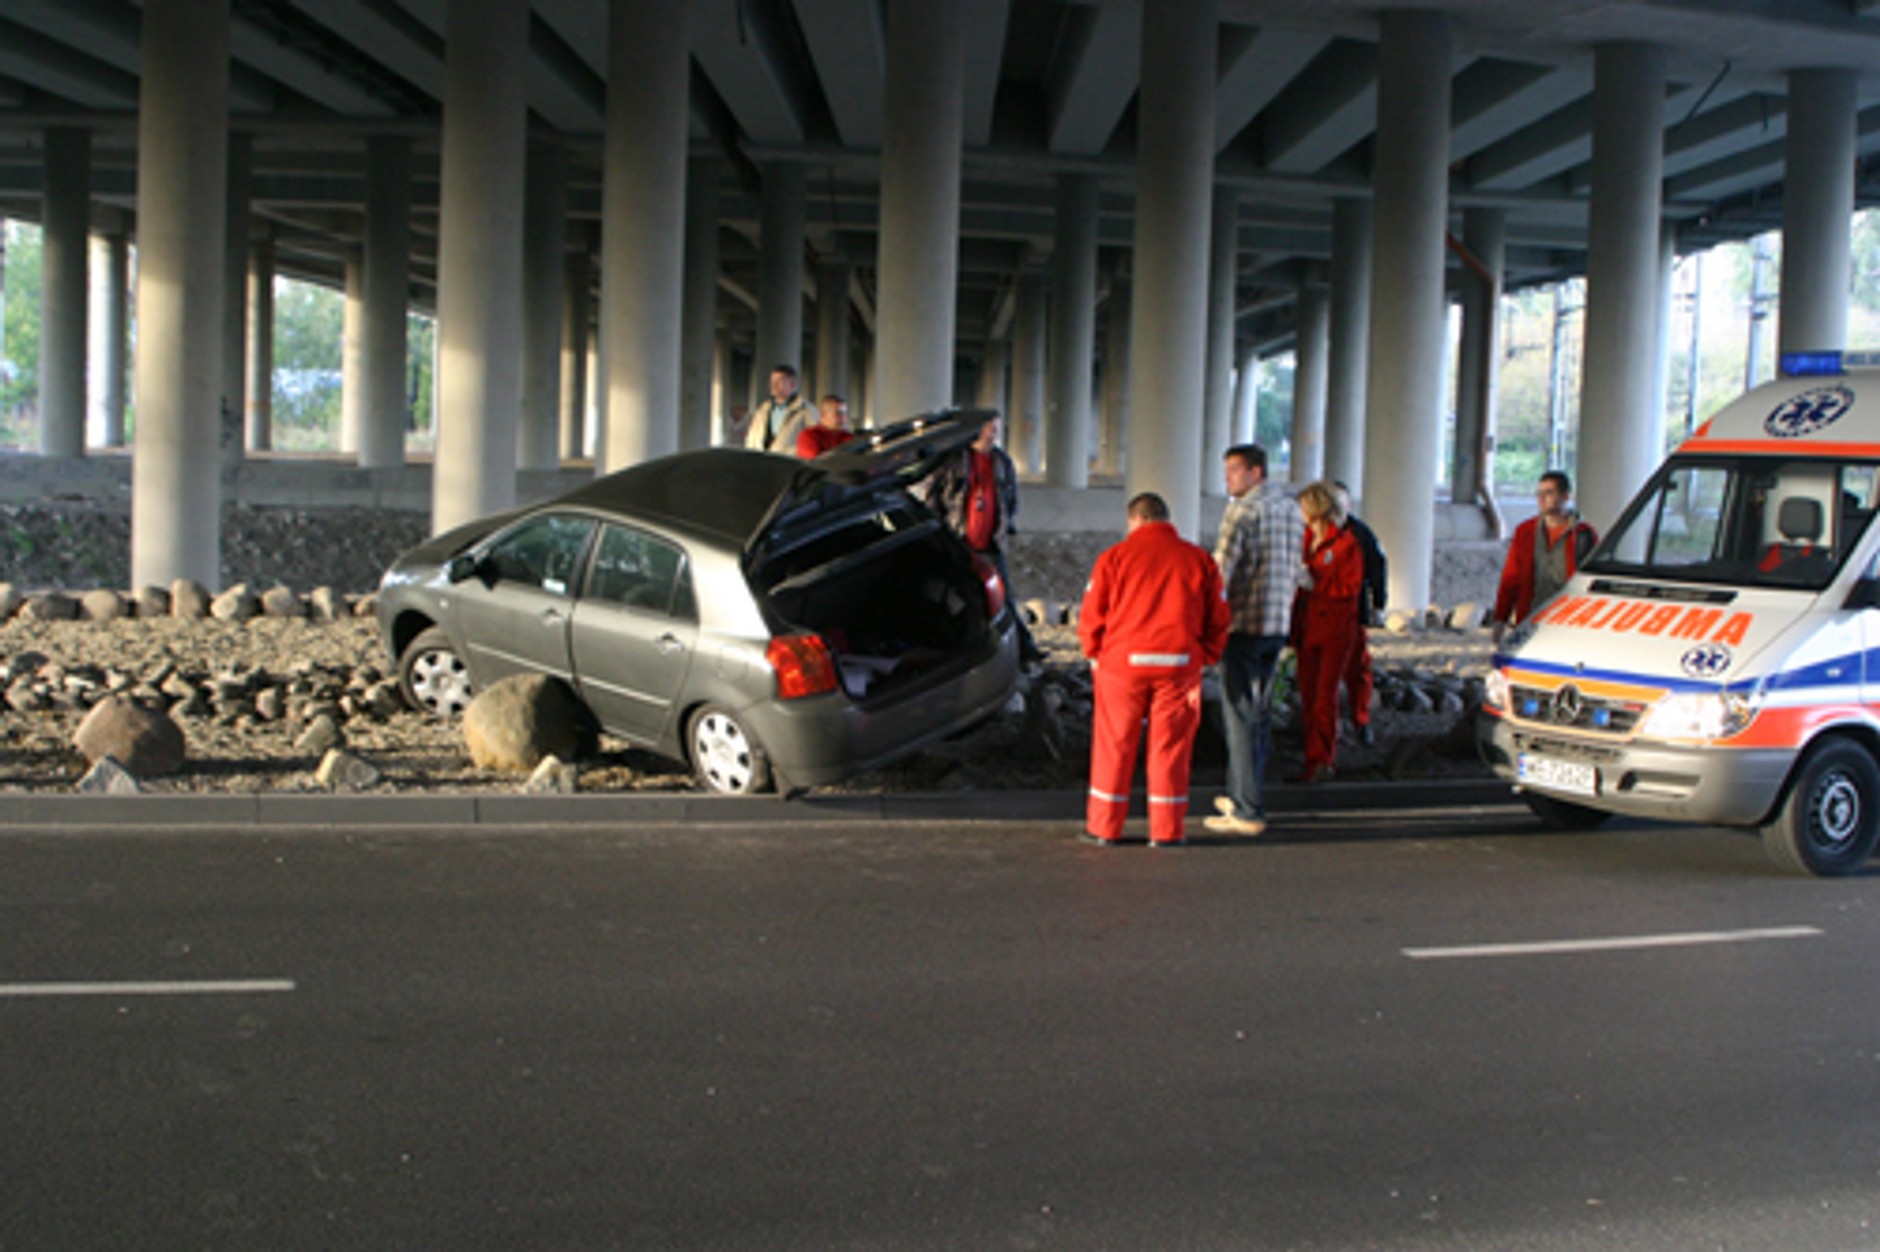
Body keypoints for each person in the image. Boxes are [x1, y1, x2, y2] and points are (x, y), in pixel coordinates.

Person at [1077, 492, 1232, 848]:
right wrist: (1205, 655)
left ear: (1135, 520)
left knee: (1114, 744)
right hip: (1178, 665)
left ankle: (1104, 828)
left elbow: (1092, 615)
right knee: (1172, 748)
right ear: (1166, 519)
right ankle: (1166, 831)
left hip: (1122, 667)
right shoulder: (1199, 560)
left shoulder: (1113, 558)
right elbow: (1219, 617)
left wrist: (1095, 653)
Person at [1204, 444, 1303, 838]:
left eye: (1234, 470)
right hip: (1278, 623)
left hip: (1243, 624)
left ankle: (1247, 809)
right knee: (1258, 714)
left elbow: (1219, 573)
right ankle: (1243, 791)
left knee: (1239, 714)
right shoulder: (1293, 511)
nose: (1228, 477)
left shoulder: (1242, 512)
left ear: (1256, 473)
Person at [924, 414, 1044, 664]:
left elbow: (1010, 499)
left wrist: (1004, 527)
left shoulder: (1001, 461)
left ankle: (1024, 650)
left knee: (1003, 598)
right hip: (958, 542)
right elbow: (934, 497)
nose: (994, 433)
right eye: (990, 428)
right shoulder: (954, 460)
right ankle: (951, 650)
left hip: (990, 543)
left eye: (997, 428)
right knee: (950, 596)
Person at [1291, 481, 1365, 785]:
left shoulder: (1347, 546)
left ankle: (1322, 760)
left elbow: (1349, 589)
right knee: (1310, 697)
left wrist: (1313, 584)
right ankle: (1313, 758)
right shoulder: (1306, 540)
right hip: (1307, 628)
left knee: (1324, 698)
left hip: (1334, 630)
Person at [1490, 470, 1598, 645]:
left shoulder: (1584, 535)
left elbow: (1592, 582)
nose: (1541, 498)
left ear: (1565, 496)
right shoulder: (1525, 532)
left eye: (1549, 493)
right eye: (1539, 493)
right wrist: (1500, 619)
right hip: (1531, 618)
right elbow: (1511, 578)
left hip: (1567, 622)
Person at [1333, 481, 1386, 747]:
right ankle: (1329, 729)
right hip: (1322, 616)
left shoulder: (1360, 533)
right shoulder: (1311, 532)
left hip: (1353, 614)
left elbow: (1377, 568)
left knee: (1357, 670)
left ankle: (1360, 720)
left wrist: (1379, 603)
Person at [743, 364, 813, 454]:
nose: (773, 385)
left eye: (779, 381)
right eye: (772, 381)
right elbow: (751, 439)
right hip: (761, 462)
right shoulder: (763, 409)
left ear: (792, 385)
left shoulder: (806, 410)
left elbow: (813, 440)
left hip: (789, 463)